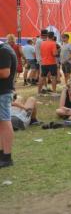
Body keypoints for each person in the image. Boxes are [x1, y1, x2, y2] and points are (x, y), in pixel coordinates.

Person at [0, 39, 17, 168]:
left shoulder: (3, 50)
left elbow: (5, 73)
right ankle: (3, 154)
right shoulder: (4, 48)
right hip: (3, 92)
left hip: (3, 92)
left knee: (5, 122)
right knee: (2, 123)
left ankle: (7, 157)